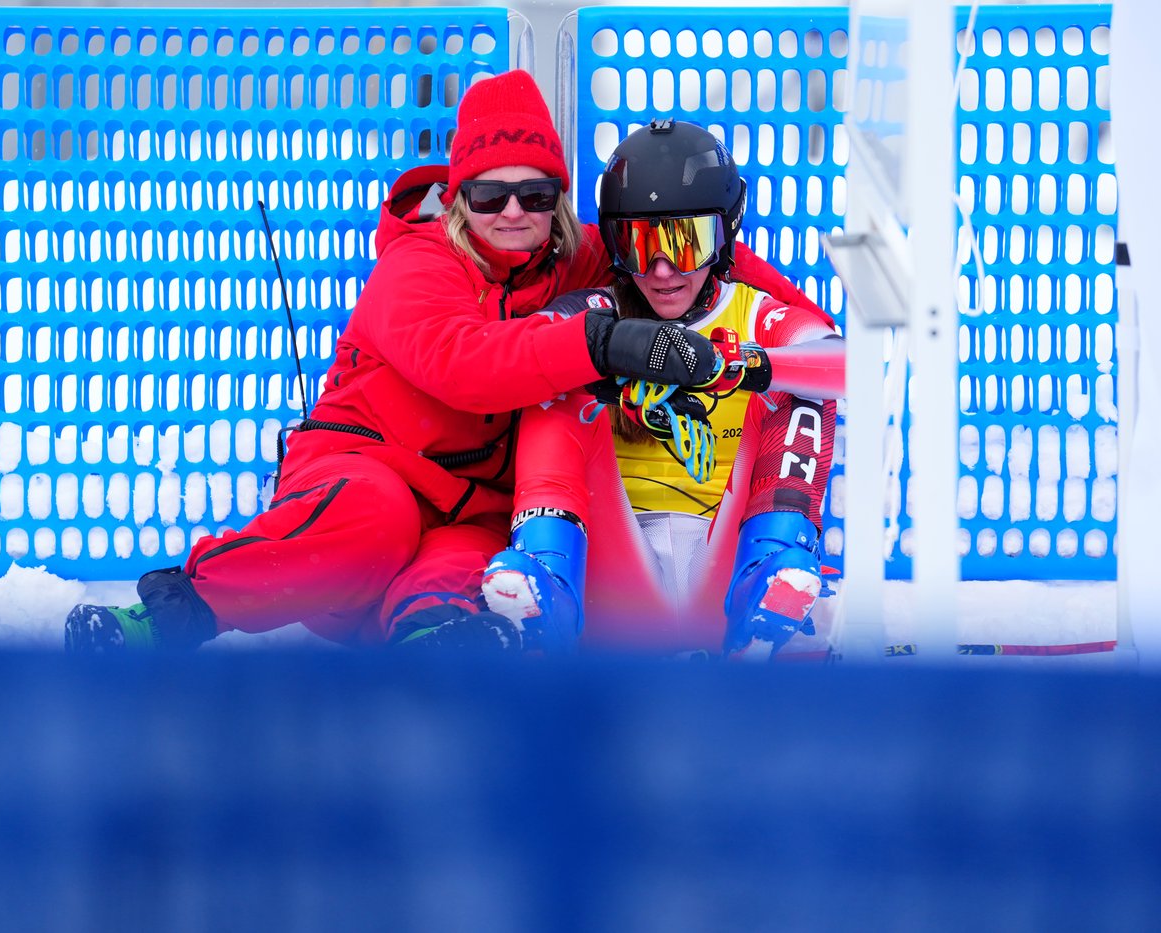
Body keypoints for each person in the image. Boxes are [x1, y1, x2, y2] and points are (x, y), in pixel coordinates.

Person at [63, 72, 820, 652]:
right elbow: (464, 363)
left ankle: (437, 660)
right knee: (377, 519)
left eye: (534, 192)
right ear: (460, 202)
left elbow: (682, 260)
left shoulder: (574, 259)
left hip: (473, 508)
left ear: (557, 200)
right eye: (491, 197)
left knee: (467, 573)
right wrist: (600, 343)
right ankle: (168, 615)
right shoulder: (420, 265)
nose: (514, 212)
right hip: (363, 480)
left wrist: (805, 331)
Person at [478, 120, 846, 658]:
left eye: (685, 242)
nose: (662, 269)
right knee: (553, 379)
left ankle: (775, 565)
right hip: (609, 575)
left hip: (728, 564)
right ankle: (544, 573)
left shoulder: (752, 313)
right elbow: (535, 341)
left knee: (801, 391)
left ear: (723, 234)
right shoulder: (603, 311)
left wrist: (738, 366)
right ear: (614, 245)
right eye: (639, 244)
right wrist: (611, 365)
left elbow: (840, 363)